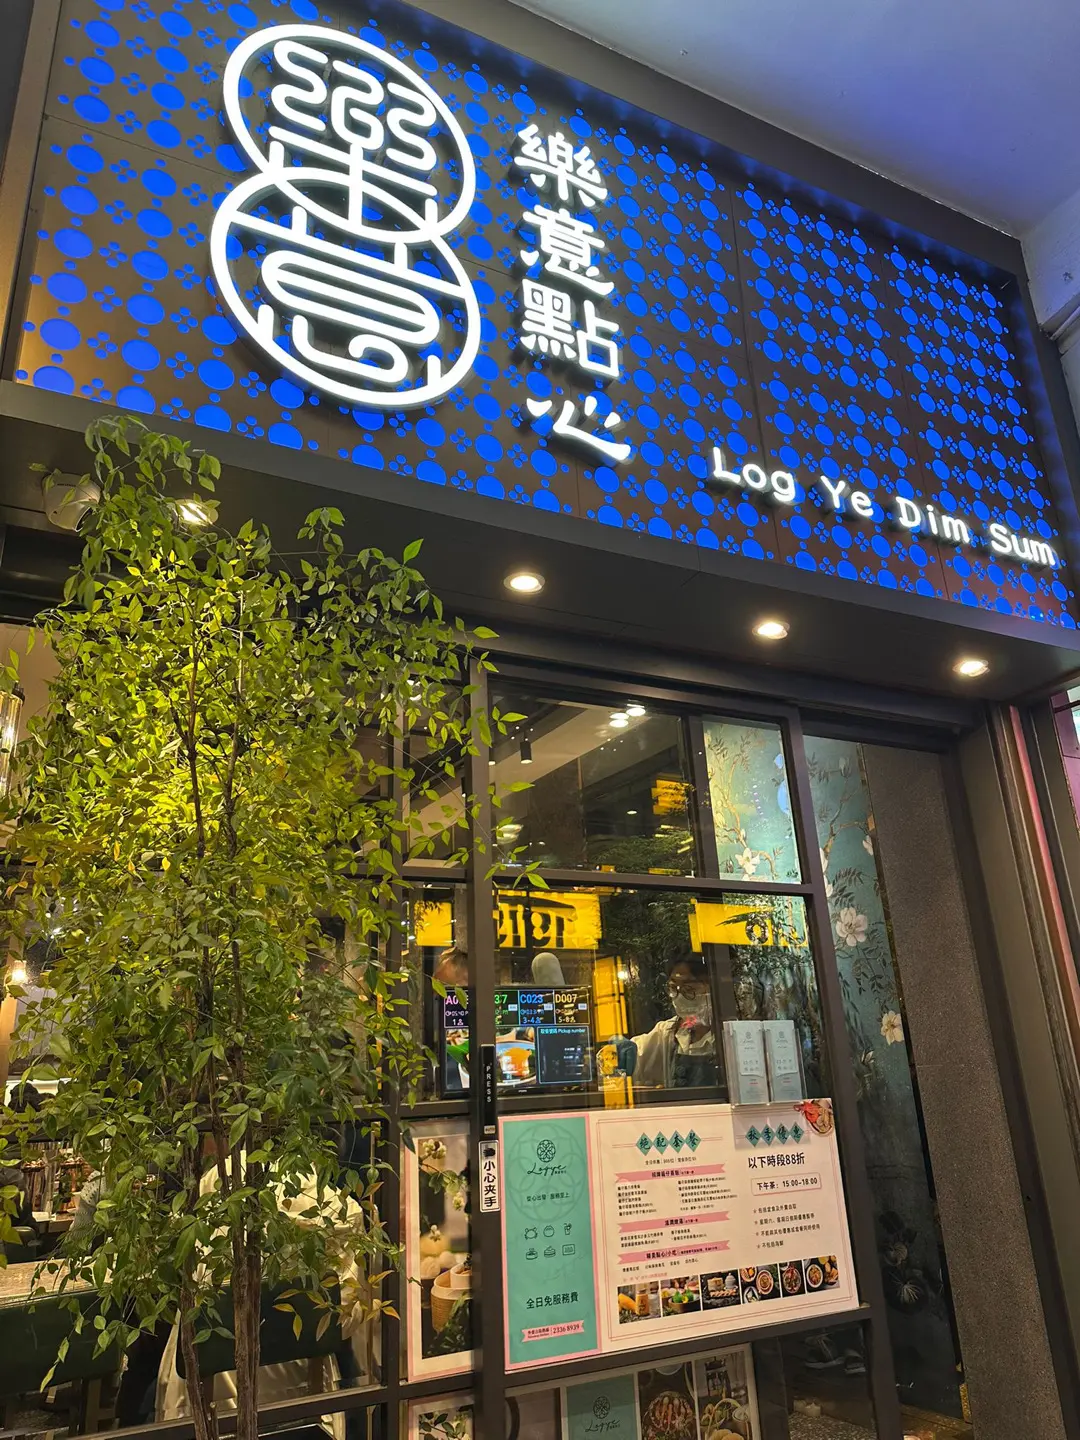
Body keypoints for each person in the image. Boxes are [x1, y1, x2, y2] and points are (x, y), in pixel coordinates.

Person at [616, 955, 717, 1088]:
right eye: (673, 988)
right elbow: (637, 1057)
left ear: (712, 988)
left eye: (689, 989)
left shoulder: (729, 1034)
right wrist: (617, 1053)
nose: (679, 997)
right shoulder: (668, 1032)